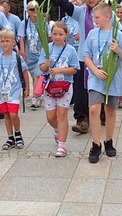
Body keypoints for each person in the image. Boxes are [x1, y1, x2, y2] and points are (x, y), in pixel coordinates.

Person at [56, 0, 111, 134]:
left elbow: (116, 32)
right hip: (83, 58)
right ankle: (82, 119)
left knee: (101, 88)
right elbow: (64, 4)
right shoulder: (80, 12)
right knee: (81, 90)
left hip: (102, 59)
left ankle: (102, 114)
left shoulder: (108, 13)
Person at [82, 2, 122, 163]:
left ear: (107, 17)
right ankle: (95, 144)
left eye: (97, 17)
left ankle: (108, 141)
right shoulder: (92, 34)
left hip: (112, 78)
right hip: (96, 77)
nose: (94, 20)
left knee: (110, 110)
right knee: (94, 109)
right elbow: (86, 55)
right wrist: (94, 70)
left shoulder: (118, 34)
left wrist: (118, 51)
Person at [38, 22, 80, 157]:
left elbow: (74, 69)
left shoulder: (71, 50)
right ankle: (58, 130)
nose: (57, 37)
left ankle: (62, 145)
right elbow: (41, 69)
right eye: (55, 34)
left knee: (62, 114)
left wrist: (60, 70)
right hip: (50, 86)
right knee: (51, 117)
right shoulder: (47, 48)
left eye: (60, 34)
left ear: (66, 35)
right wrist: (46, 65)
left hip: (65, 86)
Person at [0, 29, 30, 150]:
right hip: (1, 92)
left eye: (7, 41)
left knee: (13, 114)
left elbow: (24, 72)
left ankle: (17, 133)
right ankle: (10, 137)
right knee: (6, 114)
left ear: (13, 42)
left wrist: (27, 87)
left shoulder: (17, 58)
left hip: (14, 90)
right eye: (2, 41)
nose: (5, 43)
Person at [19, 0, 50, 109]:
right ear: (28, 11)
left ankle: (35, 97)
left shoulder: (43, 23)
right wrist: (22, 51)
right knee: (34, 75)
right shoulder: (25, 23)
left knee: (38, 74)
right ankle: (38, 94)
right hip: (29, 54)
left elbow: (49, 37)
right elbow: (21, 38)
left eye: (36, 9)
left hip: (40, 53)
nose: (34, 12)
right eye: (31, 9)